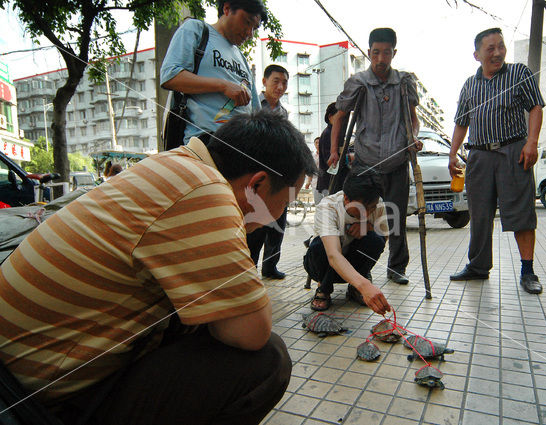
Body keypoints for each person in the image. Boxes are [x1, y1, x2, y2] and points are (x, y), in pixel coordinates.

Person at [0, 111, 316, 425]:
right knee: (267, 362)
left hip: (20, 369)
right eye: (285, 202)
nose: (278, 216)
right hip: (28, 400)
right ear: (257, 185)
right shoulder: (204, 190)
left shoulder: (176, 164)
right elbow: (251, 332)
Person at [448, 27, 545, 295]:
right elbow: (461, 122)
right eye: (490, 48)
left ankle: (528, 271)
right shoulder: (469, 84)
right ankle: (478, 267)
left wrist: (532, 142)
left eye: (500, 46)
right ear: (477, 55)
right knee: (479, 215)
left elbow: (536, 106)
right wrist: (452, 152)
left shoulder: (519, 73)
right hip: (478, 156)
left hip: (513, 151)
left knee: (521, 213)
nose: (498, 52)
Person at [328, 28, 421, 285]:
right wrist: (335, 151)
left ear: (394, 53)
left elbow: (413, 119)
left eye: (387, 53)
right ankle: (360, 266)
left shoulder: (404, 82)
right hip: (365, 163)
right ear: (369, 52)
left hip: (397, 162)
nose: (381, 58)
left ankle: (397, 267)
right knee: (359, 214)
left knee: (395, 218)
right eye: (376, 52)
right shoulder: (358, 82)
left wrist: (413, 136)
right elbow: (340, 117)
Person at [160, 0, 266, 143]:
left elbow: (257, 113)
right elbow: (170, 76)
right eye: (247, 22)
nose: (249, 33)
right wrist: (223, 85)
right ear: (227, 8)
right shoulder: (196, 30)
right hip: (204, 144)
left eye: (254, 28)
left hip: (242, 148)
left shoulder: (242, 58)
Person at [304, 172, 391, 315]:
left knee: (376, 240)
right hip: (320, 266)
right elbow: (333, 256)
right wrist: (365, 286)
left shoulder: (377, 204)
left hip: (352, 266)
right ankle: (323, 288)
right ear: (346, 198)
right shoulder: (328, 207)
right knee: (320, 245)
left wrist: (368, 227)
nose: (367, 213)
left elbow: (384, 238)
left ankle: (354, 288)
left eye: (372, 208)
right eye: (362, 208)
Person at [246, 64, 290, 279]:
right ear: (264, 82)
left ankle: (270, 266)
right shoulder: (253, 104)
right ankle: (250, 267)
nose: (280, 87)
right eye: (276, 81)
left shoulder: (283, 112)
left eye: (284, 82)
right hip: (255, 176)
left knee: (278, 224)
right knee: (256, 226)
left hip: (278, 176)